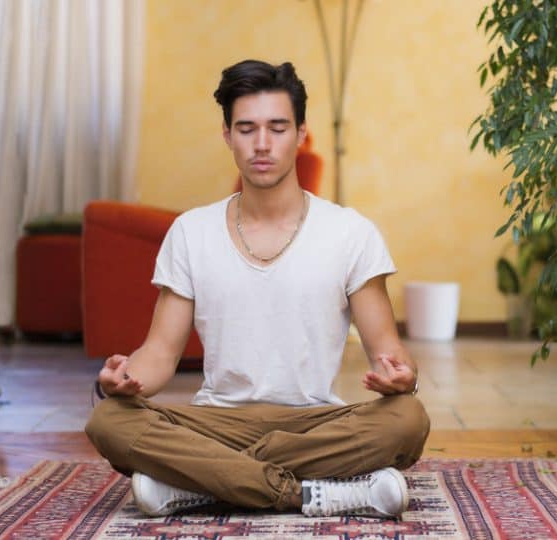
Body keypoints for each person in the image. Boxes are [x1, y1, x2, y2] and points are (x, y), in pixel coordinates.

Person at [85, 60, 430, 519]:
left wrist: (403, 376)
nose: (262, 144)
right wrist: (122, 381)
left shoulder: (351, 233)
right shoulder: (191, 231)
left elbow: (389, 352)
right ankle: (313, 494)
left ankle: (201, 485)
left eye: (277, 127)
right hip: (214, 422)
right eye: (246, 129)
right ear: (227, 135)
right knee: (108, 420)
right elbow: (160, 355)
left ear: (301, 133)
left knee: (407, 420)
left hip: (313, 422)